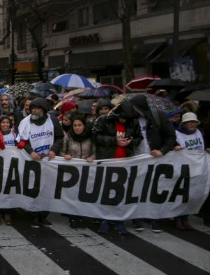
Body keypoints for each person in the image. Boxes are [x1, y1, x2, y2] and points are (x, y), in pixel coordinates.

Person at [93, 101, 143, 235]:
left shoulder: (133, 122)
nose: (123, 120)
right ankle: (104, 219)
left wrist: (131, 141)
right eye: (122, 117)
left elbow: (139, 137)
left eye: (126, 118)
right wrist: (114, 141)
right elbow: (95, 136)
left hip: (124, 162)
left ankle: (118, 221)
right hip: (107, 160)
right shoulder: (104, 120)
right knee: (105, 192)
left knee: (120, 193)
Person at [130, 94, 177, 233]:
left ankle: (154, 218)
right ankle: (137, 218)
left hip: (155, 161)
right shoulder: (131, 119)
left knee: (154, 190)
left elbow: (171, 136)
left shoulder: (159, 117)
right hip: (136, 159)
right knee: (136, 190)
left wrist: (162, 151)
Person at [17, 97, 64, 228]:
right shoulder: (25, 122)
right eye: (32, 108)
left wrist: (54, 150)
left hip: (48, 161)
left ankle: (44, 215)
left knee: (47, 189)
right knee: (34, 188)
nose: (34, 111)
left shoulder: (53, 121)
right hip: (33, 161)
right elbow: (20, 141)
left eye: (37, 108)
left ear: (43, 110)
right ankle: (34, 216)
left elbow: (60, 137)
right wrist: (30, 151)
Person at [173, 112, 210, 231]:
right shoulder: (177, 134)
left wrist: (207, 149)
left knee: (192, 194)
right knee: (182, 194)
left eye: (194, 122)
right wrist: (176, 147)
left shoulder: (199, 133)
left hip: (197, 168)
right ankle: (178, 218)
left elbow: (201, 147)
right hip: (183, 168)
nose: (193, 124)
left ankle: (185, 217)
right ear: (184, 123)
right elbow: (172, 147)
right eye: (190, 122)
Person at [60, 114, 95, 229]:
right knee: (72, 194)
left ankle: (81, 216)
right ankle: (72, 217)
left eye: (79, 125)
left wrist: (92, 157)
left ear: (84, 126)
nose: (77, 128)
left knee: (83, 194)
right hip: (72, 172)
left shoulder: (90, 137)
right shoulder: (68, 137)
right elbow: (61, 152)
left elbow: (95, 151)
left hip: (86, 171)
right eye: (75, 125)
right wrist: (66, 156)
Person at [0, 115, 18, 226]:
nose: (5, 124)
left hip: (11, 167)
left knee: (9, 190)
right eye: (3, 122)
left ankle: (8, 213)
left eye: (7, 122)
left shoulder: (14, 135)